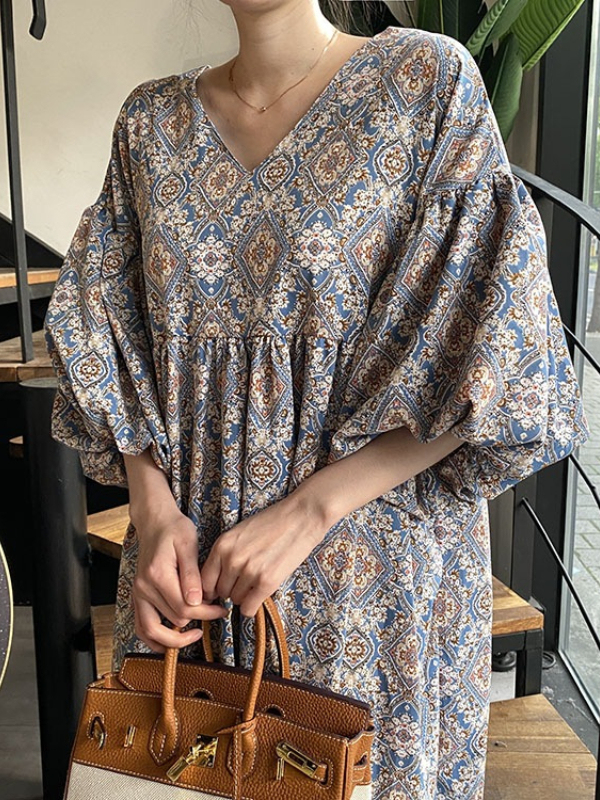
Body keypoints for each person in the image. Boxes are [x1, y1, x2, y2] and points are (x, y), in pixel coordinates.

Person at [43, 1, 589, 797]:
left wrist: (306, 513)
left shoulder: (425, 83)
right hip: (187, 586)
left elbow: (498, 348)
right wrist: (152, 512)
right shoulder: (150, 125)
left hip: (365, 581)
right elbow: (111, 336)